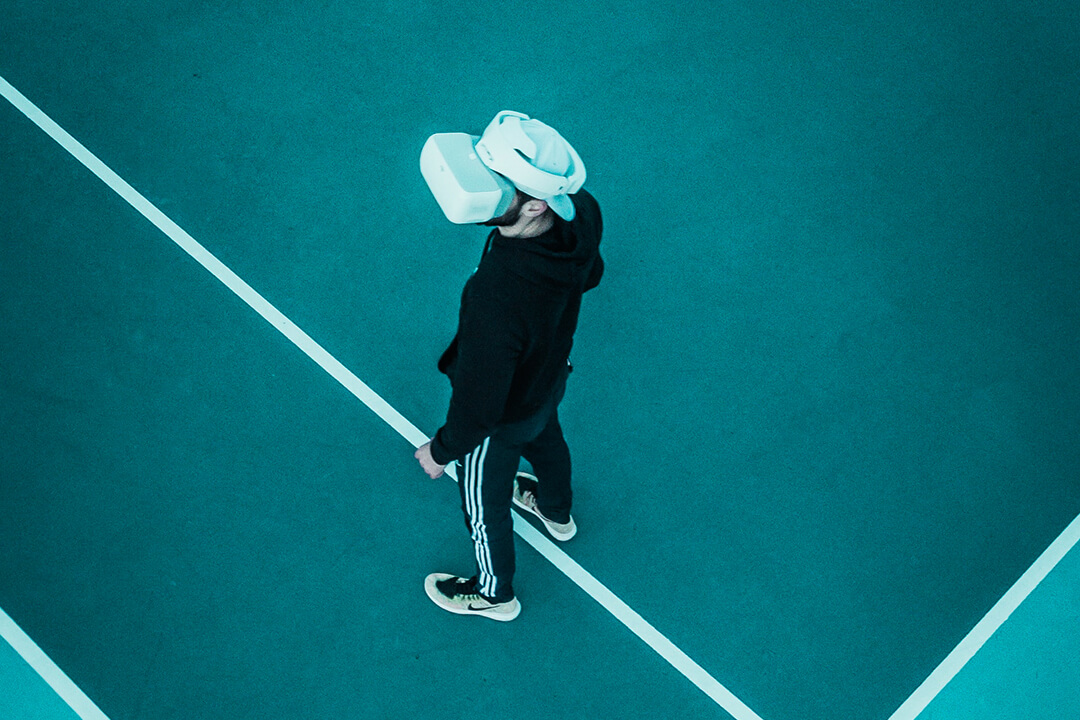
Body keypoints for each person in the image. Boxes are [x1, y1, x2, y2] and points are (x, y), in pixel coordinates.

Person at [414, 111, 604, 621]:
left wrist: (441, 450)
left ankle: (495, 594)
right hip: (550, 375)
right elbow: (592, 274)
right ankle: (556, 511)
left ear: (537, 203)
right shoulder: (582, 212)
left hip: (500, 419)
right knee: (547, 439)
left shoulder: (497, 300)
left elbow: (479, 408)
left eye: (500, 183)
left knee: (484, 506)